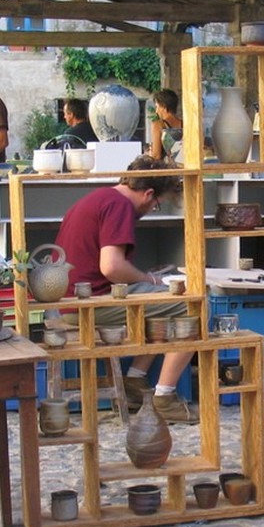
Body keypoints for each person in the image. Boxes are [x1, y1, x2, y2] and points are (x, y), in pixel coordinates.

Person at [54, 155, 196, 424]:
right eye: (156, 205)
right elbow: (111, 267)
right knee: (191, 304)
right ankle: (164, 397)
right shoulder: (120, 206)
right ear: (149, 193)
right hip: (85, 303)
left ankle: (134, 381)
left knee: (162, 305)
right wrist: (151, 280)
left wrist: (146, 280)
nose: (152, 209)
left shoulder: (101, 197)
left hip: (71, 296)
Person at [148, 89, 183, 162]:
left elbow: (156, 155)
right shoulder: (185, 124)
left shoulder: (158, 125)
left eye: (157, 107)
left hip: (168, 169)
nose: (156, 111)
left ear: (164, 107)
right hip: (187, 168)